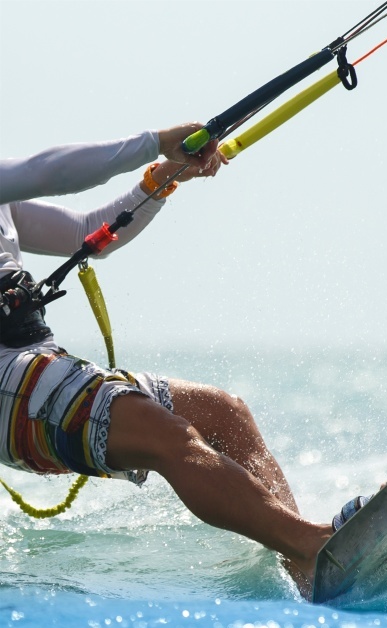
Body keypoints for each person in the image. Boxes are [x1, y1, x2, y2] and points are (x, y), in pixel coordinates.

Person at [0, 124, 366, 599]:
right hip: (10, 382)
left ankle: (305, 564)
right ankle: (312, 545)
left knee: (224, 414)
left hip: (30, 361)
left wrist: (159, 180)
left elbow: (83, 232)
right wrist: (154, 141)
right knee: (166, 436)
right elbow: (47, 173)